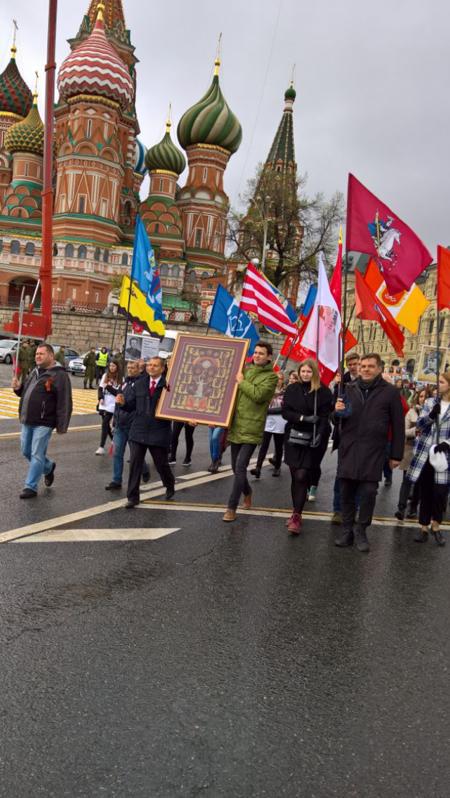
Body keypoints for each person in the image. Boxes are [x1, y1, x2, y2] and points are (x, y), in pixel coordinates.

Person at [334, 352, 405, 553]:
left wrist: (396, 455)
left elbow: (398, 425)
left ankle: (361, 530)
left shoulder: (390, 392)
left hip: (373, 451)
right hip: (349, 448)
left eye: (370, 366)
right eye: (363, 366)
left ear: (379, 369)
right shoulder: (348, 388)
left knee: (368, 492)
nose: (365, 369)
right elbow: (337, 418)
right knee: (346, 491)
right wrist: (336, 411)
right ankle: (347, 530)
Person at [222, 341, 278, 522]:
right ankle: (247, 491)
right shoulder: (243, 369)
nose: (257, 355)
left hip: (253, 427)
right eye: (256, 352)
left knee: (240, 467)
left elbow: (259, 395)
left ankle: (231, 507)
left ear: (269, 356)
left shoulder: (271, 377)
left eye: (261, 353)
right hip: (236, 425)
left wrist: (242, 382)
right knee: (234, 467)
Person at [11, 343, 73, 498]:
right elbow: (26, 392)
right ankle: (49, 467)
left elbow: (65, 401)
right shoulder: (35, 371)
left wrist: (62, 425)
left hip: (44, 422)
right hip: (28, 418)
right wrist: (18, 388)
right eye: (37, 354)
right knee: (26, 451)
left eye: (41, 354)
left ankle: (30, 487)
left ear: (51, 356)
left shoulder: (60, 375)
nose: (37, 356)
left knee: (37, 453)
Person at [282, 359, 333, 534]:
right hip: (294, 436)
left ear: (314, 373)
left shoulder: (324, 392)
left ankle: (297, 515)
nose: (305, 374)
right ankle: (295, 510)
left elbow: (326, 416)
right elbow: (286, 412)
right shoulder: (292, 389)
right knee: (295, 474)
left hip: (314, 438)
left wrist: (319, 432)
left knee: (303, 475)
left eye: (309, 372)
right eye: (303, 371)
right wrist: (303, 418)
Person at [123, 356, 175, 507]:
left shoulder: (169, 386)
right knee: (135, 464)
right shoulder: (139, 384)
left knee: (161, 464)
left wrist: (187, 419)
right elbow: (130, 406)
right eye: (149, 365)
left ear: (162, 368)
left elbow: (177, 407)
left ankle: (169, 484)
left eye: (155, 365)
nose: (151, 367)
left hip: (159, 431)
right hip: (138, 430)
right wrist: (122, 403)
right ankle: (132, 497)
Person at [406, 371, 450, 545]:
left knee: (440, 494)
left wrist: (447, 443)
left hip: (444, 456)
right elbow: (420, 425)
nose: (438, 385)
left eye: (442, 382)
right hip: (426, 453)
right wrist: (431, 415)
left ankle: (436, 526)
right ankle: (423, 527)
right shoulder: (431, 402)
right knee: (425, 491)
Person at [105, 360, 150, 490]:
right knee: (117, 453)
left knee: (135, 454)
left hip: (133, 425)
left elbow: (134, 403)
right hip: (120, 424)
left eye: (132, 368)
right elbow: (119, 400)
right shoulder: (125, 383)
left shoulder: (141, 384)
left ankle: (144, 469)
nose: (130, 369)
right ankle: (116, 480)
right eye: (128, 367)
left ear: (139, 369)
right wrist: (114, 419)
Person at [330, 352, 361, 523]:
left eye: (356, 363)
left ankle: (355, 508)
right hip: (344, 434)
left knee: (358, 474)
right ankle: (338, 509)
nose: (353, 366)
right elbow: (333, 410)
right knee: (341, 472)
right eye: (350, 363)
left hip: (362, 436)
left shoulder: (366, 383)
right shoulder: (341, 382)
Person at [394, 387, 430, 521]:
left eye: (426, 396)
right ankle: (401, 508)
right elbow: (403, 431)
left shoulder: (434, 413)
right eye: (421, 396)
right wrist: (416, 430)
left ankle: (413, 508)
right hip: (410, 450)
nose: (423, 399)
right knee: (407, 480)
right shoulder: (411, 413)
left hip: (424, 452)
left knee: (419, 482)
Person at [250, 371, 287, 478]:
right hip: (268, 422)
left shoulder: (285, 392)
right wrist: (269, 400)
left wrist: (268, 411)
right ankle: (258, 468)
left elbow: (283, 409)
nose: (278, 381)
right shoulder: (268, 391)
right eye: (276, 378)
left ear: (282, 380)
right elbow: (261, 405)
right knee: (263, 446)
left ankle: (277, 467)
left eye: (280, 379)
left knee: (278, 446)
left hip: (280, 422)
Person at [96, 361, 122, 455]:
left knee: (104, 423)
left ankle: (101, 447)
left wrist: (108, 387)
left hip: (112, 404)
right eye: (110, 365)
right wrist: (100, 398)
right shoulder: (105, 375)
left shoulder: (120, 378)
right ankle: (113, 440)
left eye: (113, 366)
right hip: (104, 403)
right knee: (106, 425)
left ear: (117, 367)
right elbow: (100, 388)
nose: (111, 367)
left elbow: (117, 393)